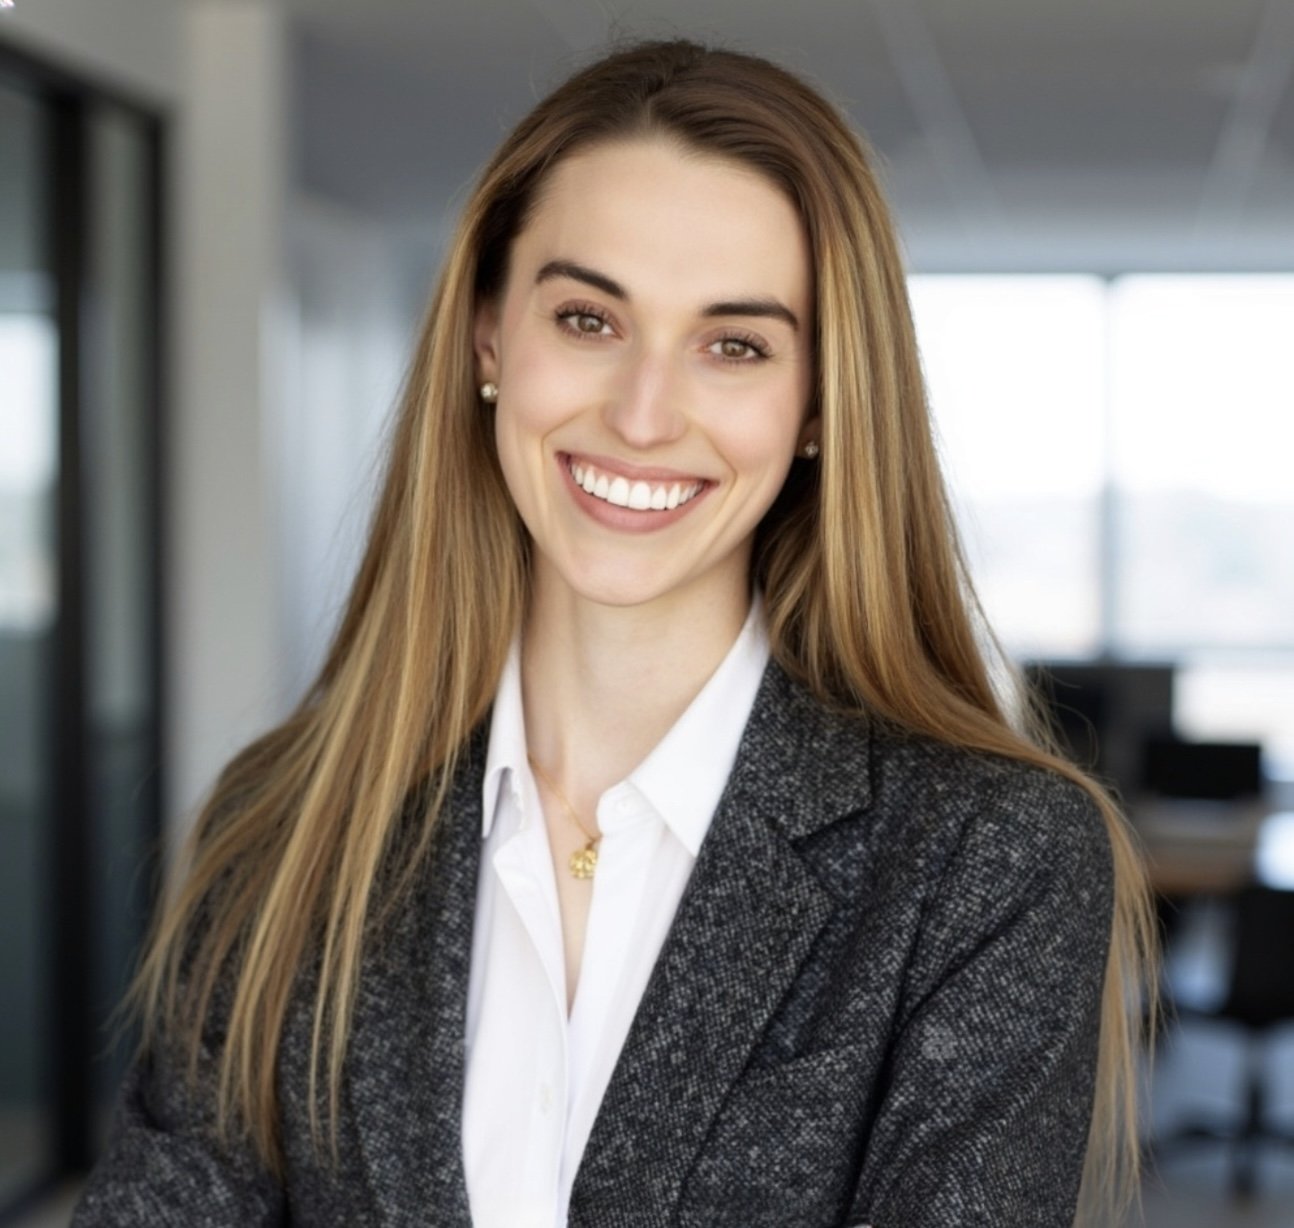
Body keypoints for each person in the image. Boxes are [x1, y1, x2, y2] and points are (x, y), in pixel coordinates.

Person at [74, 39, 1155, 1228]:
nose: (642, 414)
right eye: (588, 318)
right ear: (490, 337)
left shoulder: (985, 862)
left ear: (817, 407)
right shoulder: (287, 822)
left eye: (732, 344)